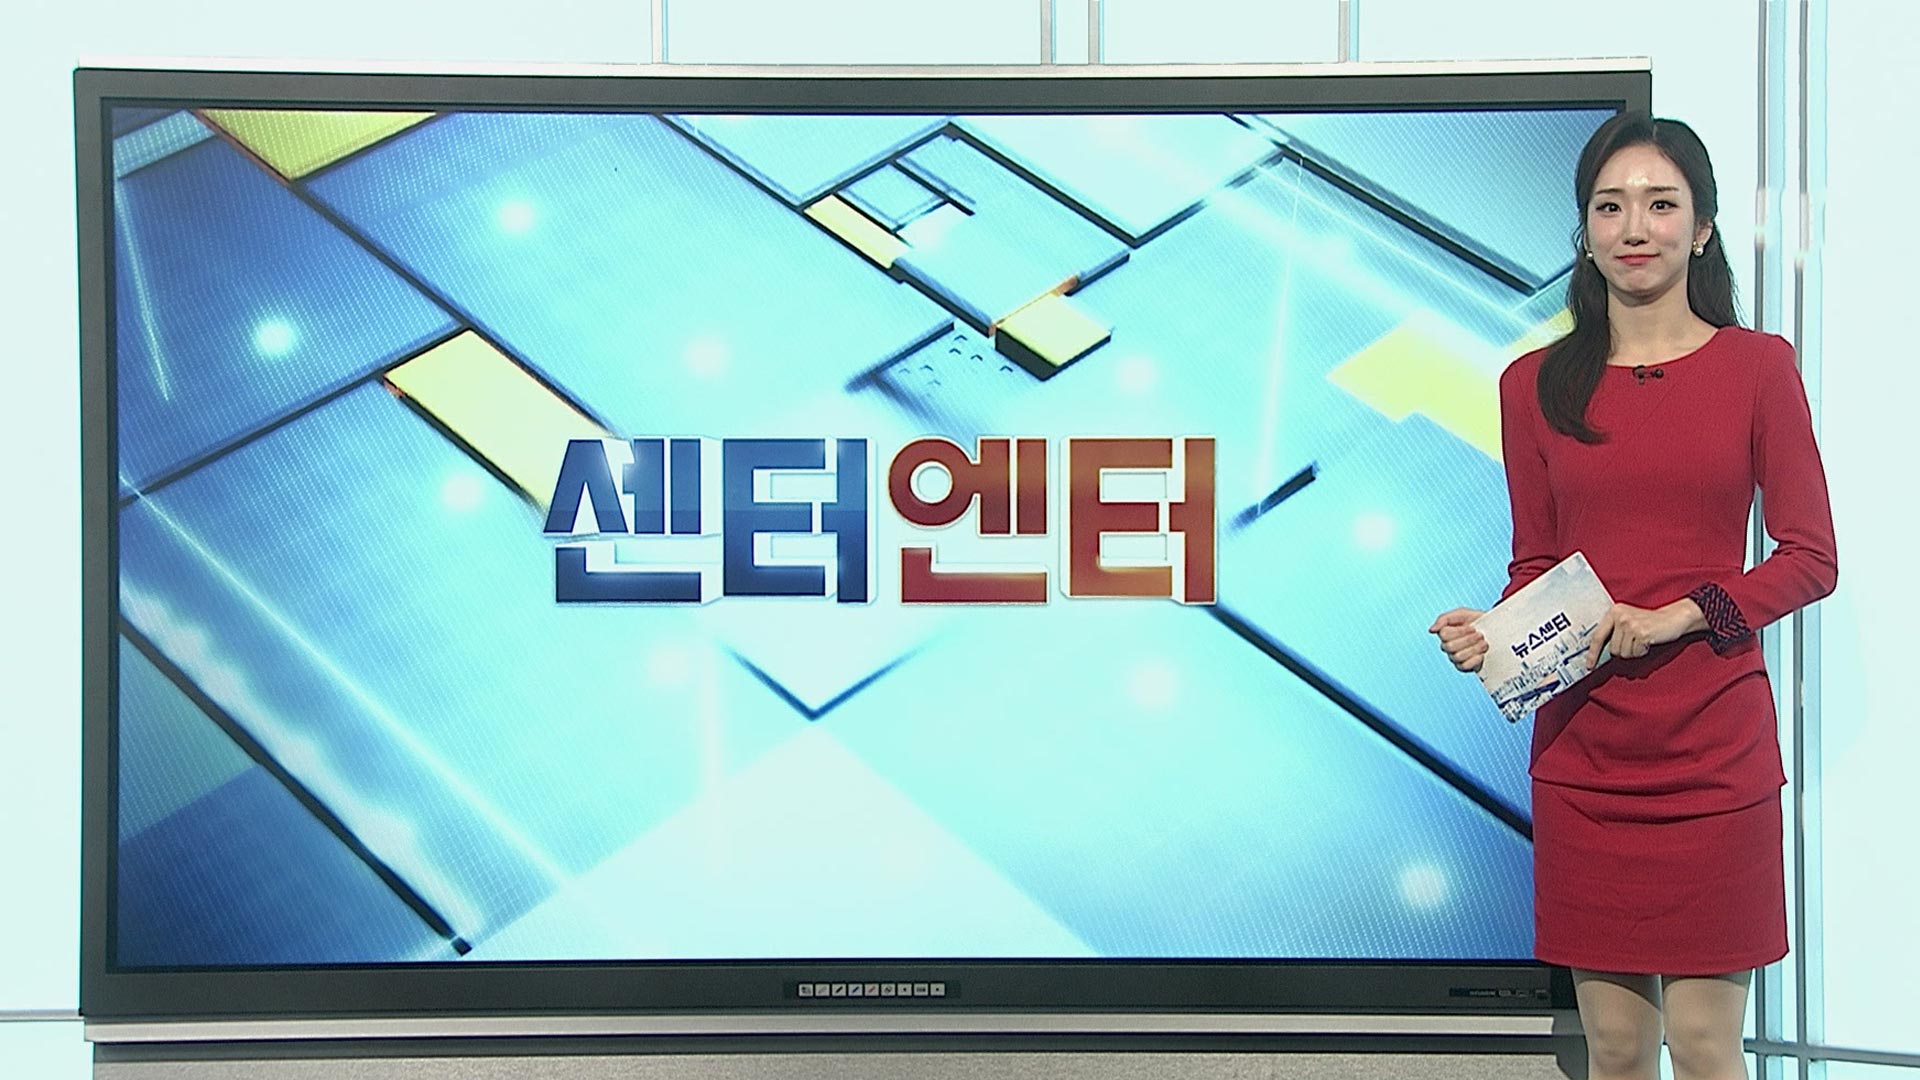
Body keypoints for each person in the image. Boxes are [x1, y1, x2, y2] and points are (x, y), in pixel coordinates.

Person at [1428, 111, 1837, 1080]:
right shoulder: (1532, 385)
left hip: (1714, 754)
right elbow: (1537, 562)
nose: (1635, 227)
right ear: (1586, 232)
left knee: (1704, 1046)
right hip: (1587, 754)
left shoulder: (1758, 368)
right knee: (1613, 1050)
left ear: (1702, 228)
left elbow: (1810, 557)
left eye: (1660, 204)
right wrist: (1493, 632)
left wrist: (1683, 614)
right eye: (1610, 207)